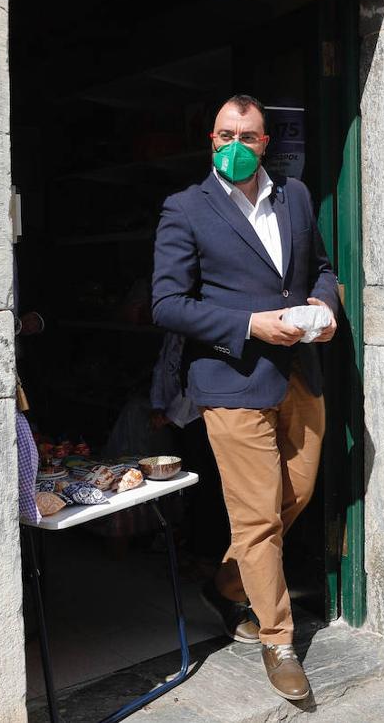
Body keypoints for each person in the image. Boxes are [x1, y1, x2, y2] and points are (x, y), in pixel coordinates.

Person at [151, 94, 340, 701]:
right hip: (231, 380)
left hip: (299, 374)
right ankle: (277, 639)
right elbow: (168, 304)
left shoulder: (297, 197)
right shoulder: (186, 209)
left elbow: (323, 270)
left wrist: (325, 306)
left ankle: (231, 582)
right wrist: (249, 325)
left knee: (299, 492)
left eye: (250, 135)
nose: (237, 144)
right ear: (212, 139)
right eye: (227, 133)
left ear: (266, 144)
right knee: (257, 516)